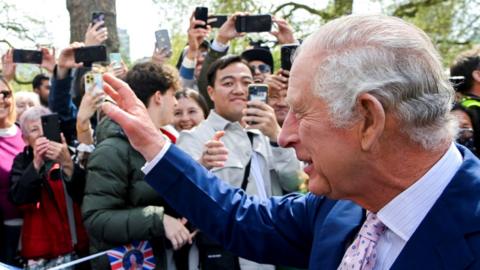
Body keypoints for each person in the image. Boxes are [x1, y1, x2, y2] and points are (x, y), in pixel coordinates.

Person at [101, 14, 480, 270]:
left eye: (301, 112)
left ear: (368, 119)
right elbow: (240, 217)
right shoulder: (338, 206)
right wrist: (153, 144)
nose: (284, 134)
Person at [177, 55, 302, 269]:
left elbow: (295, 183)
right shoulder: (194, 138)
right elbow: (183, 200)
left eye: (246, 83)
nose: (239, 89)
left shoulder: (267, 133)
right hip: (226, 257)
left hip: (273, 256)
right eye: (228, 83)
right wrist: (201, 165)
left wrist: (276, 137)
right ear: (211, 92)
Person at [82, 62, 194, 270]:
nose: (176, 104)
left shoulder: (160, 145)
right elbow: (96, 219)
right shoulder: (112, 149)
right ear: (159, 97)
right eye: (173, 95)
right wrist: (159, 220)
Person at [9, 106, 89, 269]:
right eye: (34, 129)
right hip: (40, 255)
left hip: (76, 248)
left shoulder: (70, 153)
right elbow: (18, 198)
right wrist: (36, 164)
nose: (41, 133)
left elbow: (84, 193)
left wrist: (67, 163)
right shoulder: (22, 161)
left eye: (44, 126)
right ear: (25, 139)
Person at [0, 76, 25, 267]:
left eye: (5, 94)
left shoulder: (26, 132)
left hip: (37, 229)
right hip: (4, 234)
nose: (1, 99)